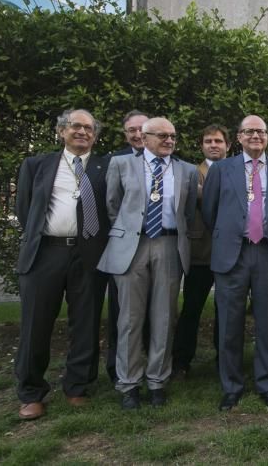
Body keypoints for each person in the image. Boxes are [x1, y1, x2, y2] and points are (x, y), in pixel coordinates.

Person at [13, 109, 110, 420]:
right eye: (75, 126)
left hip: (89, 254)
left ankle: (77, 386)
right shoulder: (37, 165)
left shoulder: (104, 166)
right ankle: (31, 392)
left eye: (88, 128)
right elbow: (26, 209)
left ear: (95, 135)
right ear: (61, 131)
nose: (82, 132)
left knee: (85, 322)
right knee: (35, 324)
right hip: (46, 252)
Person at [98, 117, 198, 410]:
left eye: (173, 136)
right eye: (162, 135)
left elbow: (188, 213)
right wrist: (130, 231)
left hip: (169, 245)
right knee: (129, 318)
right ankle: (128, 383)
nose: (169, 141)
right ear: (144, 137)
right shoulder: (121, 165)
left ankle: (157, 381)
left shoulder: (187, 171)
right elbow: (113, 205)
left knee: (164, 317)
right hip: (132, 245)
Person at [202, 115, 268, 411]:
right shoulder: (221, 169)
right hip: (233, 253)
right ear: (239, 137)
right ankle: (231, 387)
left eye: (261, 131)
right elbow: (210, 211)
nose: (255, 136)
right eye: (249, 131)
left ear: (267, 137)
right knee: (229, 323)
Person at [172, 124, 229, 379]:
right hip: (200, 252)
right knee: (191, 309)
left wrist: (202, 194)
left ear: (228, 145)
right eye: (208, 141)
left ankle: (224, 360)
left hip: (229, 253)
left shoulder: (236, 171)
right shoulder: (190, 173)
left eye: (218, 141)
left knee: (226, 311)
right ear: (202, 145)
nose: (213, 145)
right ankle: (181, 361)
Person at [103, 109, 150, 383]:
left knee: (155, 311)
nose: (137, 134)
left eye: (142, 129)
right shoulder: (116, 161)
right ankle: (118, 369)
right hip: (127, 246)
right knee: (122, 312)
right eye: (131, 130)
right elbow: (112, 205)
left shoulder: (168, 162)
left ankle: (148, 365)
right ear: (126, 134)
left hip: (158, 244)